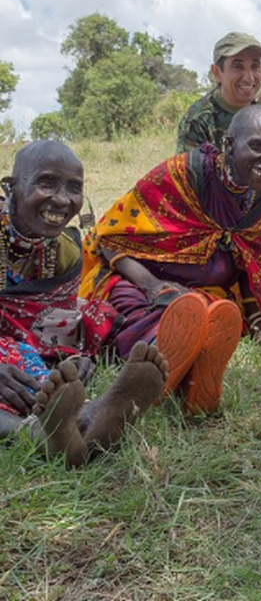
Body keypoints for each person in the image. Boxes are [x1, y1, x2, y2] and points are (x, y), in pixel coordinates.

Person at [80, 106, 261, 414]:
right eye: (257, 146)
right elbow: (110, 238)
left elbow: (253, 262)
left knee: (207, 312)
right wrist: (152, 286)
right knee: (127, 303)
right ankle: (167, 363)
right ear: (229, 145)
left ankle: (191, 369)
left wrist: (256, 322)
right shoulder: (181, 175)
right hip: (140, 278)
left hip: (201, 294)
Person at [0, 141, 167, 466]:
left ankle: (87, 416)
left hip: (18, 339)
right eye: (46, 182)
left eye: (74, 188)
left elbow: (52, 319)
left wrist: (74, 358)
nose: (62, 200)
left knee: (93, 319)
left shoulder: (62, 250)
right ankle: (39, 433)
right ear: (13, 187)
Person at [176, 31, 261, 152]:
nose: (248, 78)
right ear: (217, 72)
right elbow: (189, 174)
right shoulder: (198, 120)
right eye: (237, 67)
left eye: (255, 66)